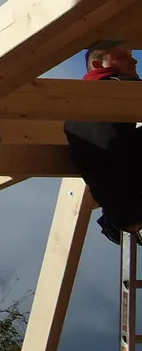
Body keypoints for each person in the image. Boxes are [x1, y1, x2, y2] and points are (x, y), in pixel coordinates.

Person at [63, 40, 142, 245]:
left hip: (122, 211)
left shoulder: (75, 108)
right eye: (124, 56)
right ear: (99, 65)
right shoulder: (119, 88)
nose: (134, 60)